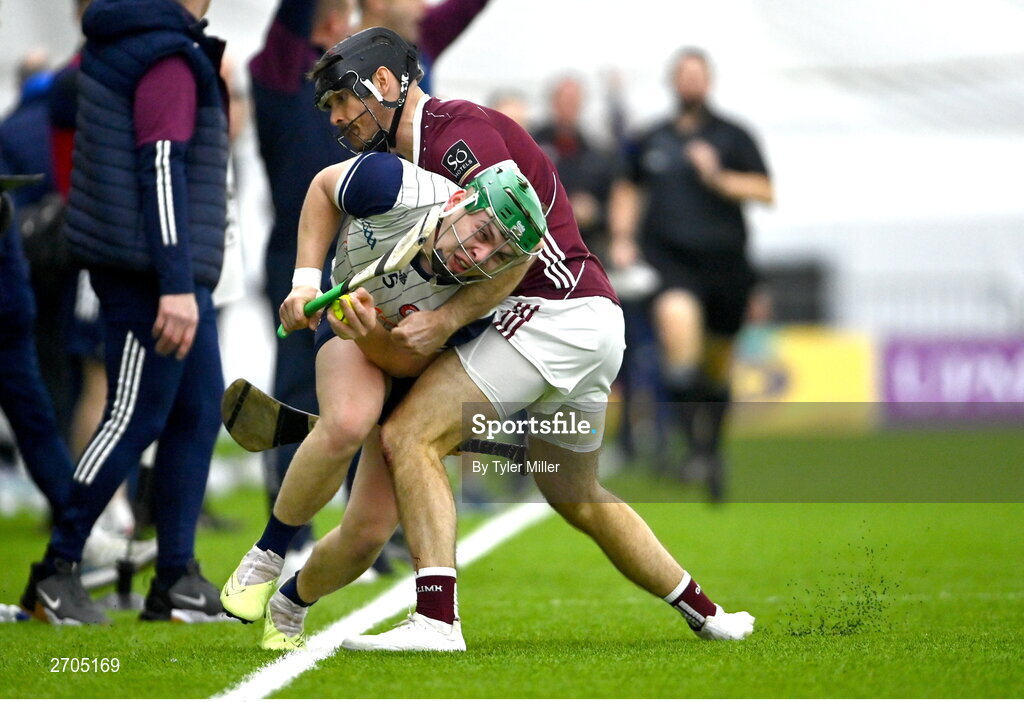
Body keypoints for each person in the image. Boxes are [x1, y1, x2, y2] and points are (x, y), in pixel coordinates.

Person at [228, 27, 755, 651]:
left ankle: (436, 620)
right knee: (576, 494)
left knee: (410, 436)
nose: (339, 118)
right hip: (587, 323)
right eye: (331, 107)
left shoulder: (454, 143)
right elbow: (334, 200)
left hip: (549, 314)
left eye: (345, 100)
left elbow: (513, 244)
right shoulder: (402, 160)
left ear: (390, 85)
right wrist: (332, 299)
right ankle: (707, 612)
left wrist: (444, 324)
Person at [221, 155, 543, 649]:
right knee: (349, 422)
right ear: (460, 200)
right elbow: (324, 186)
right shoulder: (396, 187)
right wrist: (305, 280)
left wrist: (376, 337)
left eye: (497, 254)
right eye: (480, 232)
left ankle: (291, 600)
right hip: (347, 319)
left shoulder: (480, 296)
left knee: (367, 535)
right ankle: (268, 553)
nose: (479, 255)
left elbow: (406, 365)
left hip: (400, 359)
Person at [19, 0, 230, 625]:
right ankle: (56, 573)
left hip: (171, 271)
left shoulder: (144, 42)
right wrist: (174, 283)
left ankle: (175, 578)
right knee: (133, 417)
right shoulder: (163, 52)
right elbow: (161, 168)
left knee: (196, 408)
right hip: (151, 275)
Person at [609, 48, 774, 498]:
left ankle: (710, 449)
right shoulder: (652, 137)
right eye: (683, 75)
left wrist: (719, 177)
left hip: (726, 265)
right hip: (671, 262)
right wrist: (623, 237)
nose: (690, 82)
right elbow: (627, 186)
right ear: (673, 82)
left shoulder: (734, 135)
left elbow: (765, 190)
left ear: (709, 82)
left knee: (716, 369)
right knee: (678, 346)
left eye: (697, 75)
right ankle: (696, 451)